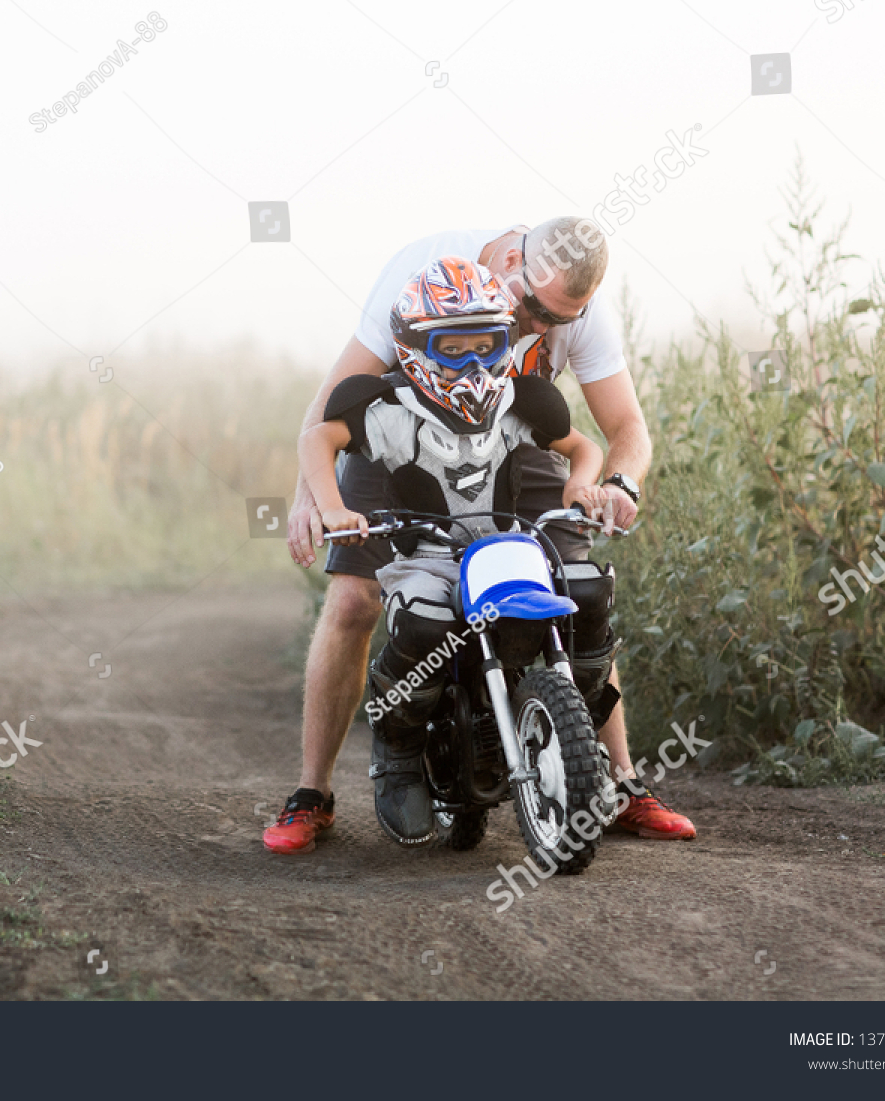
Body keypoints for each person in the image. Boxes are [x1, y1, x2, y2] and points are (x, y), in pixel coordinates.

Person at [264, 218, 696, 853]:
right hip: (403, 431)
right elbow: (332, 403)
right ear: (511, 262)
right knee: (356, 600)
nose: (540, 329)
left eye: (558, 319)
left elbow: (625, 427)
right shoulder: (421, 270)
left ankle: (618, 782)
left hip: (511, 423)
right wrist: (314, 499)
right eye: (531, 309)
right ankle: (313, 793)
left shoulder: (575, 313)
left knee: (571, 586)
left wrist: (617, 488)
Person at [298, 256, 611, 844]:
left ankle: (580, 715)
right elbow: (318, 437)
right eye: (454, 348)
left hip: (504, 547)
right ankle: (399, 750)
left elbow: (584, 446)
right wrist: (331, 506)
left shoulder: (521, 402)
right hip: (429, 557)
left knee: (587, 586)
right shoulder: (387, 409)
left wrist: (580, 484)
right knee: (423, 621)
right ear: (416, 349)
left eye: (487, 345)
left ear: (506, 342)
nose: (473, 363)